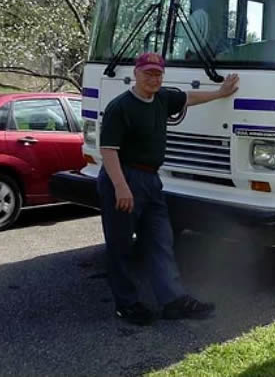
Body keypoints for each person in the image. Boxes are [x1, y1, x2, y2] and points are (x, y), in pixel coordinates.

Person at [98, 51, 239, 325]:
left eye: (158, 74)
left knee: (161, 240)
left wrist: (221, 93)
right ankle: (126, 304)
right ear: (136, 73)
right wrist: (121, 187)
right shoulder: (120, 107)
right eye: (148, 73)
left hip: (151, 181)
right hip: (124, 178)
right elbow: (108, 150)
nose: (153, 78)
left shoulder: (162, 98)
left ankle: (173, 300)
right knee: (121, 245)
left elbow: (189, 97)